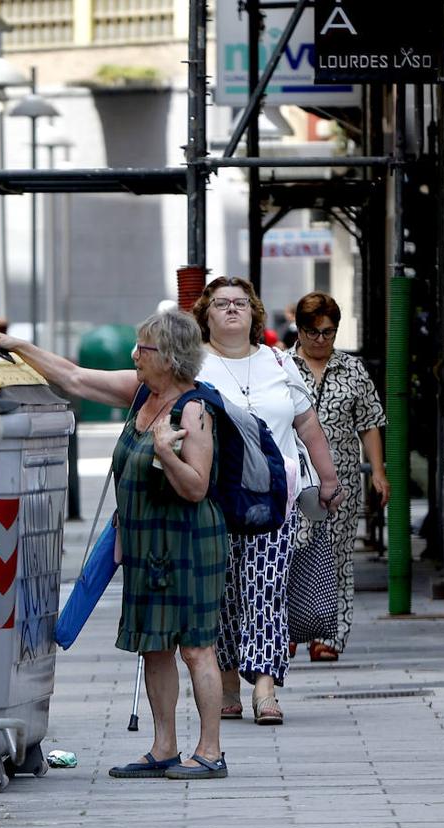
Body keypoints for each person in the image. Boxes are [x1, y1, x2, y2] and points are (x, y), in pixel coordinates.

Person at [0, 310, 230, 780]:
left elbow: (197, 487)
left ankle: (210, 750)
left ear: (169, 356)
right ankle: (164, 747)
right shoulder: (143, 391)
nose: (133, 355)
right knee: (154, 646)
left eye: (142, 349)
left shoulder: (195, 410)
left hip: (187, 542)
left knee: (196, 648)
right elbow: (75, 378)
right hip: (144, 543)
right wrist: (18, 347)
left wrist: (165, 451)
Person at [192, 277, 341, 725]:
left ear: (254, 313)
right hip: (213, 499)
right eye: (222, 303)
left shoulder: (279, 362)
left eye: (240, 303)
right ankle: (229, 682)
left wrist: (329, 479)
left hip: (273, 499)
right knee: (222, 593)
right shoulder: (195, 365)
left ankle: (265, 689)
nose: (232, 309)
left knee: (266, 589)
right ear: (207, 315)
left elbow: (307, 424)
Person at [287, 292, 388, 662]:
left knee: (338, 556)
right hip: (293, 480)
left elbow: (370, 422)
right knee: (289, 551)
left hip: (341, 481)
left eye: (328, 332)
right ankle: (289, 628)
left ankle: (330, 636)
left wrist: (378, 471)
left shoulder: (352, 369)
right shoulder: (281, 367)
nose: (320, 340)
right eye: (313, 332)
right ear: (299, 330)